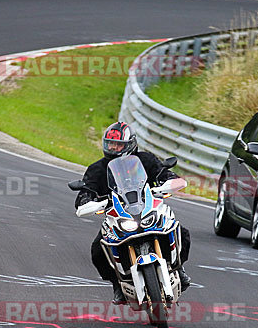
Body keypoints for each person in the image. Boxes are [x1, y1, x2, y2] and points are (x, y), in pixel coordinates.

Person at [75, 122, 191, 303]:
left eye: (118, 144)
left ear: (130, 143)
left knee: (181, 232)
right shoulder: (97, 169)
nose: (113, 148)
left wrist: (169, 181)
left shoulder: (145, 160)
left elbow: (163, 173)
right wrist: (87, 201)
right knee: (98, 250)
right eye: (110, 144)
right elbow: (85, 192)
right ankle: (117, 284)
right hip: (118, 216)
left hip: (148, 208)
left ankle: (178, 269)